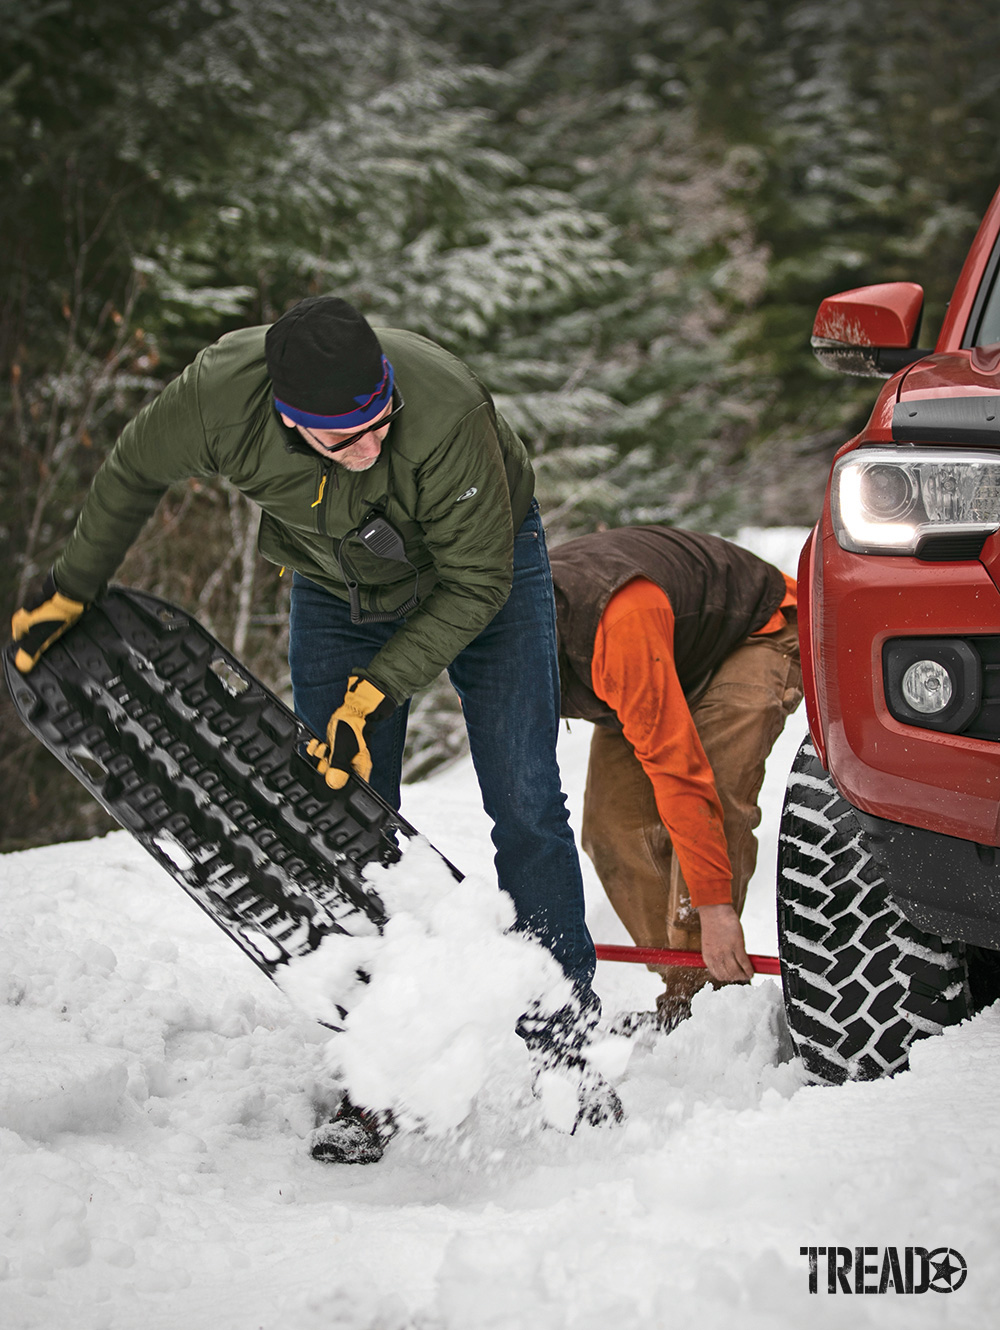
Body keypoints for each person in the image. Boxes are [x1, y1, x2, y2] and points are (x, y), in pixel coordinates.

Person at [10, 295, 622, 1157]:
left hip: (486, 573)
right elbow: (133, 468)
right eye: (344, 440)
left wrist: (375, 691)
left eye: (380, 421)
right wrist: (75, 584)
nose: (371, 446)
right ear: (286, 418)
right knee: (343, 817)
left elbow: (473, 586)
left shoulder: (445, 414)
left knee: (524, 795)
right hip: (336, 585)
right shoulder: (221, 397)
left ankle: (566, 1041)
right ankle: (376, 1073)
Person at [548, 525, 803, 1030]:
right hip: (659, 658)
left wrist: (714, 907)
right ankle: (685, 984)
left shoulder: (613, 622)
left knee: (717, 806)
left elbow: (681, 775)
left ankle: (713, 1003)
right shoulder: (494, 650)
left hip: (752, 634)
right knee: (612, 829)